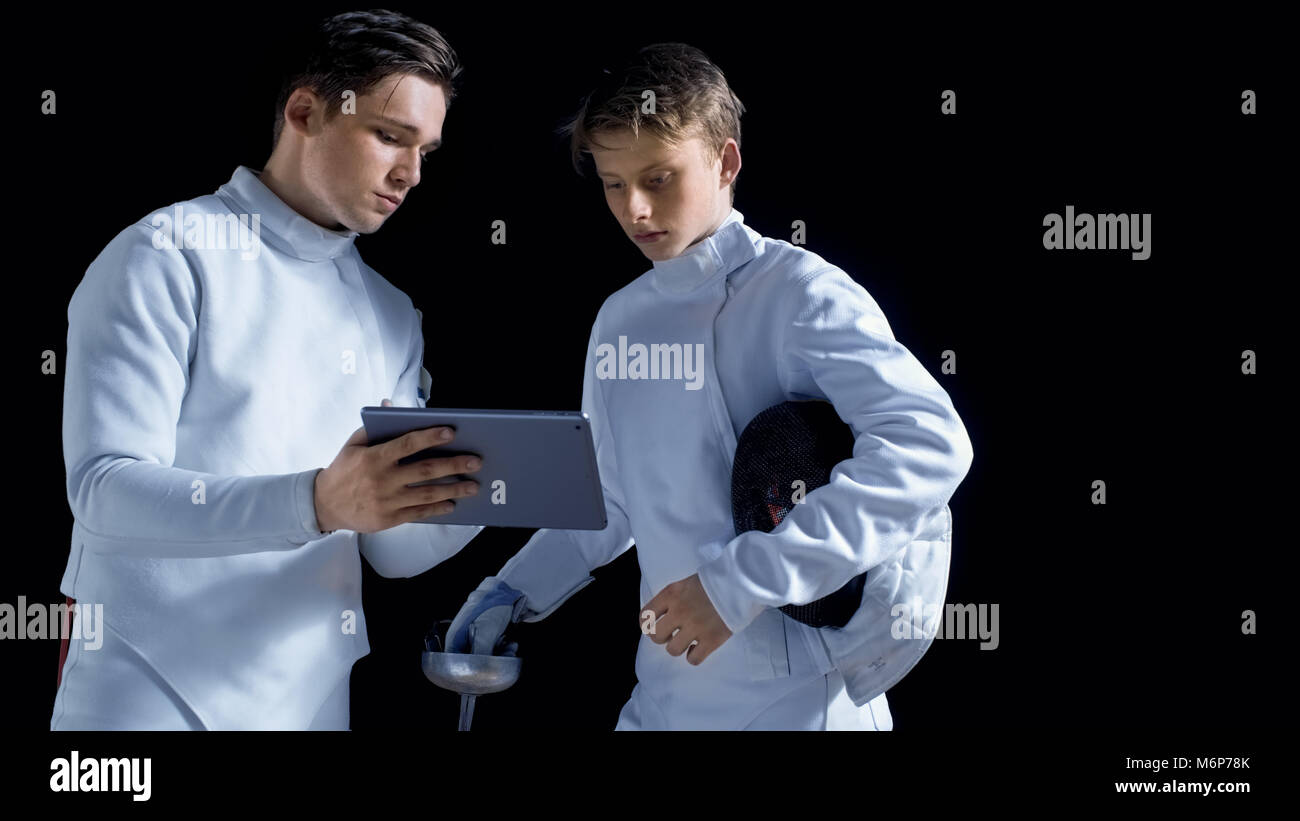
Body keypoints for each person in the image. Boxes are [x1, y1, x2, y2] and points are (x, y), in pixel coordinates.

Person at [447, 43, 974, 730]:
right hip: (665, 694)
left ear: (726, 162)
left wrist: (736, 584)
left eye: (659, 177)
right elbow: (609, 499)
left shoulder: (798, 294)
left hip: (800, 702)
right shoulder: (621, 321)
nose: (635, 208)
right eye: (613, 183)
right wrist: (510, 592)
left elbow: (930, 446)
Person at [52, 10, 484, 730]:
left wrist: (503, 488)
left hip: (310, 696)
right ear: (305, 111)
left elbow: (393, 550)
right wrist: (314, 502)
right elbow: (104, 489)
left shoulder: (388, 312)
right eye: (389, 136)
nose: (409, 173)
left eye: (425, 152)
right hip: (145, 683)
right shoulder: (166, 253)